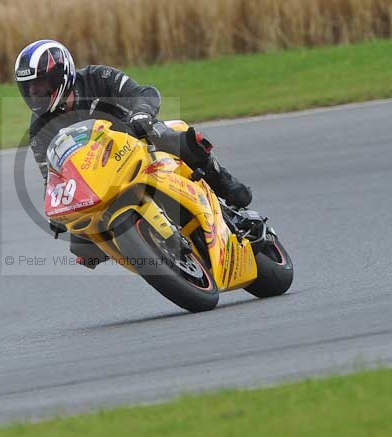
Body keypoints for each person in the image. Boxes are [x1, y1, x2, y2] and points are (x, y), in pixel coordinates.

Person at [15, 39, 252, 268]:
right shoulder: (39, 129)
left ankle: (224, 181)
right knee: (82, 248)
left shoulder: (98, 77)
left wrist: (141, 113)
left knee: (181, 137)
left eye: (41, 85)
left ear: (61, 75)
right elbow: (52, 175)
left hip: (137, 141)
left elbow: (143, 92)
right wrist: (56, 212)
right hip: (100, 175)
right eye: (29, 88)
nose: (35, 93)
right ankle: (144, 252)